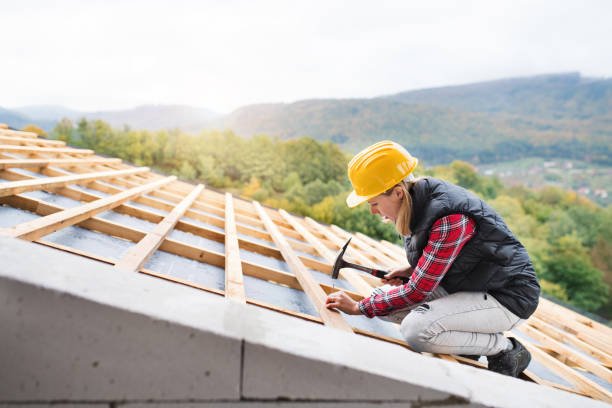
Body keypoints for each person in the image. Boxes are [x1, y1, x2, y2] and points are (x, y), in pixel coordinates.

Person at [325, 140, 540, 377]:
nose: (373, 211)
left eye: (374, 203)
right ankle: (465, 343)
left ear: (397, 192)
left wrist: (358, 307)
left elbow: (417, 291)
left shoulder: (449, 217)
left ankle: (505, 350)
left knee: (415, 329)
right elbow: (456, 256)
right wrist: (410, 269)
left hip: (507, 298)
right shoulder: (417, 202)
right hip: (472, 287)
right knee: (383, 302)